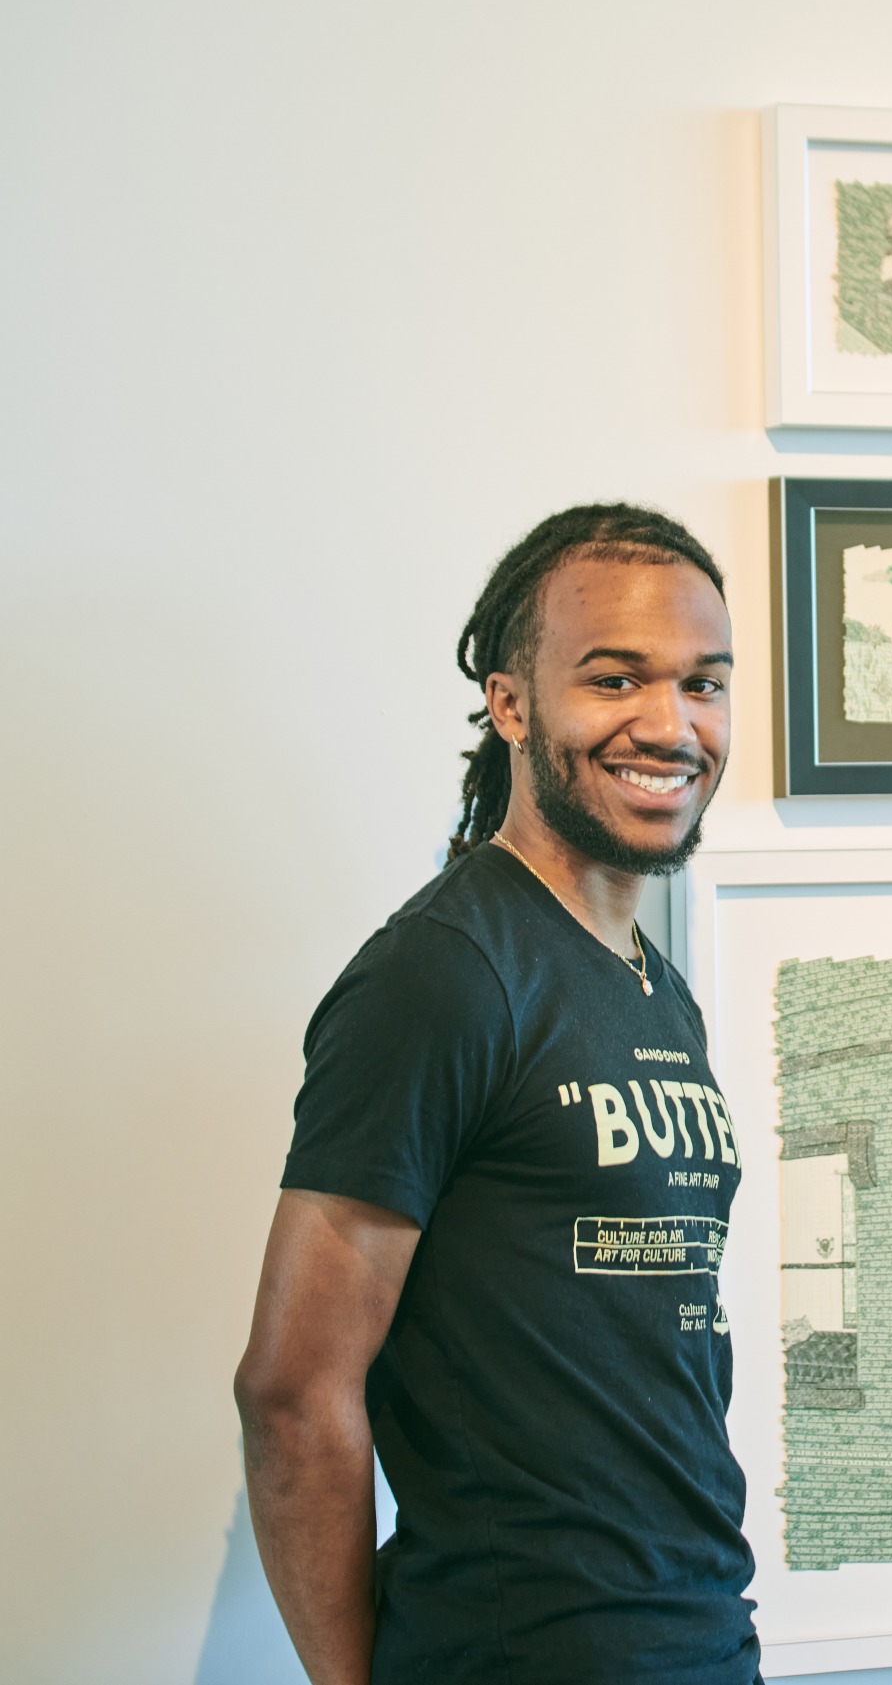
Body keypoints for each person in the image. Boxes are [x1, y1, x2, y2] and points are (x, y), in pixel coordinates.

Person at [232, 504, 758, 1685]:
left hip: (697, 1638)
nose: (670, 725)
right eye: (615, 678)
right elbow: (291, 1389)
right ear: (511, 702)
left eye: (704, 685)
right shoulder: (445, 972)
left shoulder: (653, 990)